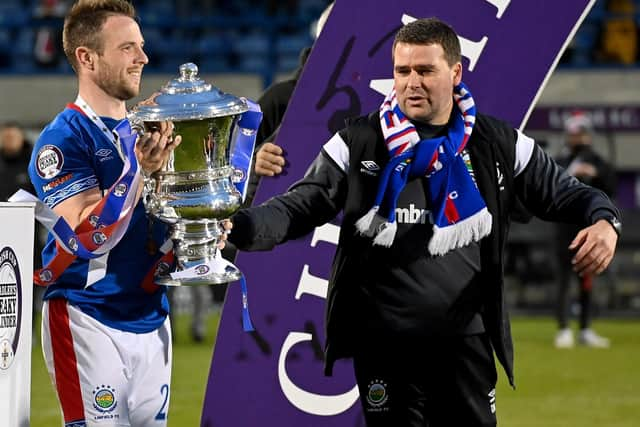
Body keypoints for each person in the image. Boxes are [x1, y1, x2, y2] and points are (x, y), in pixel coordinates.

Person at [228, 18, 620, 426]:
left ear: (455, 72)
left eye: (425, 70)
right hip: (384, 346)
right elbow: (298, 207)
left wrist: (604, 220)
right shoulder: (358, 141)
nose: (412, 82)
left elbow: (567, 192)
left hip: (465, 343)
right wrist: (239, 226)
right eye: (403, 71)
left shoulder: (497, 143)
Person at [27, 1, 182, 425]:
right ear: (86, 57)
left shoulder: (147, 129)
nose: (143, 58)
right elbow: (86, 233)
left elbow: (162, 224)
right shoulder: (61, 141)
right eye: (127, 48)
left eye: (142, 47)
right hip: (87, 317)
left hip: (152, 317)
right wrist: (137, 171)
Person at [554, 111, 617, 349]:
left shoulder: (597, 162)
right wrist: (572, 174)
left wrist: (595, 174)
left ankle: (585, 328)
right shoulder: (561, 161)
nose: (578, 138)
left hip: (589, 230)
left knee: (587, 280)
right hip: (564, 230)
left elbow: (610, 189)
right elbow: (549, 187)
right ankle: (563, 328)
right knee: (564, 281)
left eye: (582, 133)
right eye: (574, 134)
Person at [0, 122, 34, 200]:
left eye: (13, 137)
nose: (10, 141)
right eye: (7, 137)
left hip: (28, 209)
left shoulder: (34, 163)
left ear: (21, 138)